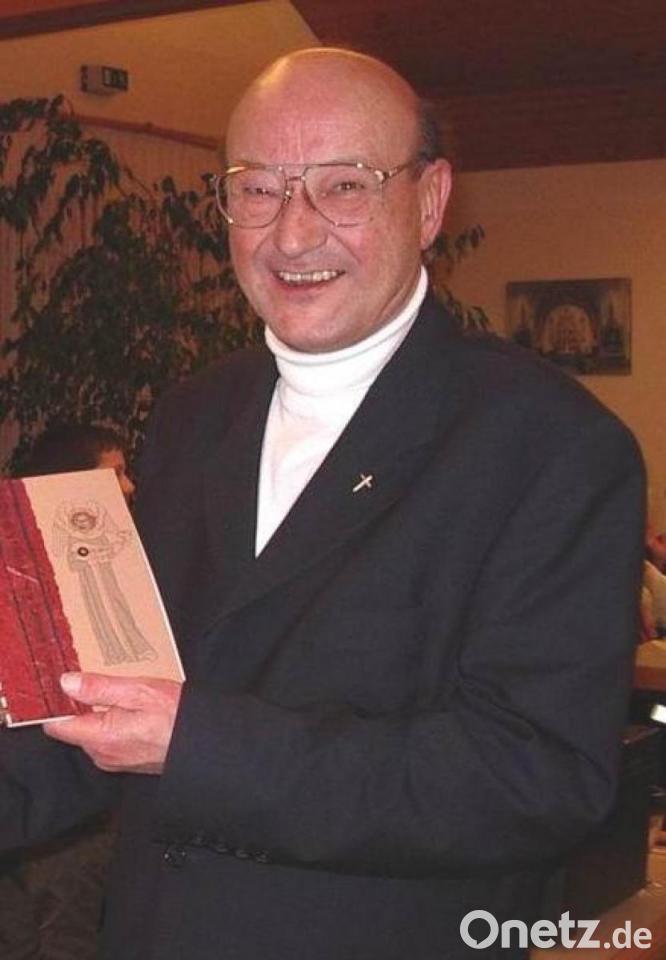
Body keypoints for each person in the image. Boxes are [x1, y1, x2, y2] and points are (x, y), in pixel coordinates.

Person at [0, 49, 645, 959]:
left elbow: (535, 778)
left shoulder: (551, 447)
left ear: (429, 202)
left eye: (344, 186)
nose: (293, 236)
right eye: (258, 190)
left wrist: (199, 745)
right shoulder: (195, 415)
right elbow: (111, 699)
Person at [0, 424, 132, 960]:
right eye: (115, 473)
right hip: (52, 791)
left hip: (72, 792)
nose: (130, 486)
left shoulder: (123, 558)